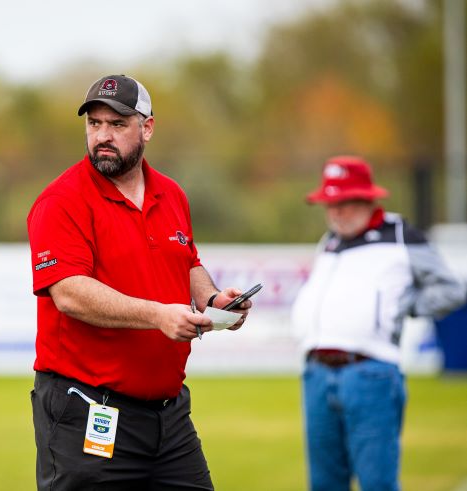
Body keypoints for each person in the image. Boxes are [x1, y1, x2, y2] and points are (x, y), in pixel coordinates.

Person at [27, 74, 253, 490]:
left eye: (117, 125)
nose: (102, 136)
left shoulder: (171, 194)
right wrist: (157, 315)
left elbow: (185, 261)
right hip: (88, 412)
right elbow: (70, 292)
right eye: (94, 124)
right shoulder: (61, 200)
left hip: (169, 416)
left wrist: (213, 300)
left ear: (147, 128)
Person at [291, 156, 466, 491]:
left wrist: (407, 306)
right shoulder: (329, 241)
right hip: (316, 373)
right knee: (324, 483)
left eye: (344, 202)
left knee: (377, 482)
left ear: (367, 199)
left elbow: (450, 290)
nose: (336, 211)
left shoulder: (401, 235)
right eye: (330, 203)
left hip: (370, 373)